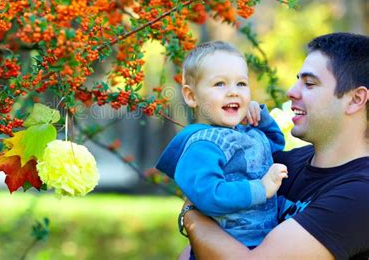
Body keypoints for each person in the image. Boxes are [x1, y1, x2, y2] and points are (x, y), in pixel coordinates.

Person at [180, 32, 369, 259]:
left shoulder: (359, 194)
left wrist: (191, 213)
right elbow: (198, 248)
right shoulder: (282, 163)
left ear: (356, 99)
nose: (291, 91)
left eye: (309, 83)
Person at [155, 41, 288, 259]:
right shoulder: (203, 145)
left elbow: (274, 144)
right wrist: (260, 189)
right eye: (220, 84)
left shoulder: (247, 134)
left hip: (261, 245)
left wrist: (260, 117)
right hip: (221, 250)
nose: (233, 93)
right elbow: (209, 195)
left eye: (241, 84)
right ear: (191, 96)